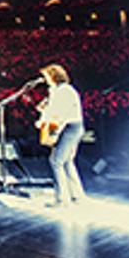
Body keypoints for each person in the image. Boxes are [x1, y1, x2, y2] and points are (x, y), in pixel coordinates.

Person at [35, 63, 86, 207]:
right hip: (74, 127)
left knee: (56, 161)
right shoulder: (59, 91)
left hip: (69, 128)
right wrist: (43, 111)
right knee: (67, 161)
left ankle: (61, 200)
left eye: (46, 76)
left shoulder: (63, 92)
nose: (45, 80)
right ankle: (77, 195)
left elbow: (59, 114)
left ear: (53, 76)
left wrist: (48, 127)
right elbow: (53, 110)